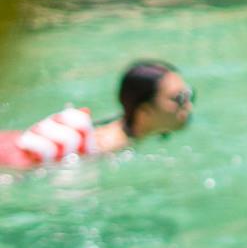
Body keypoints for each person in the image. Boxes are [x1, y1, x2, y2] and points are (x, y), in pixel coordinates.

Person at [0, 60, 193, 170]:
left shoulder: (113, 129)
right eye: (179, 99)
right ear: (145, 111)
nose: (189, 106)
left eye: (189, 95)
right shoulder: (109, 148)